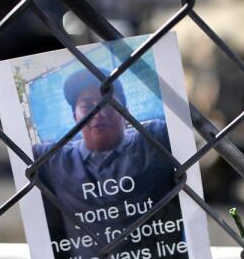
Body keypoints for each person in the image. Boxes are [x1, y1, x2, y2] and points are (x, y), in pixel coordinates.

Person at [31, 68, 178, 221]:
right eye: (87, 106)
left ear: (125, 113)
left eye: (108, 102)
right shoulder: (55, 160)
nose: (98, 113)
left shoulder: (154, 139)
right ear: (75, 117)